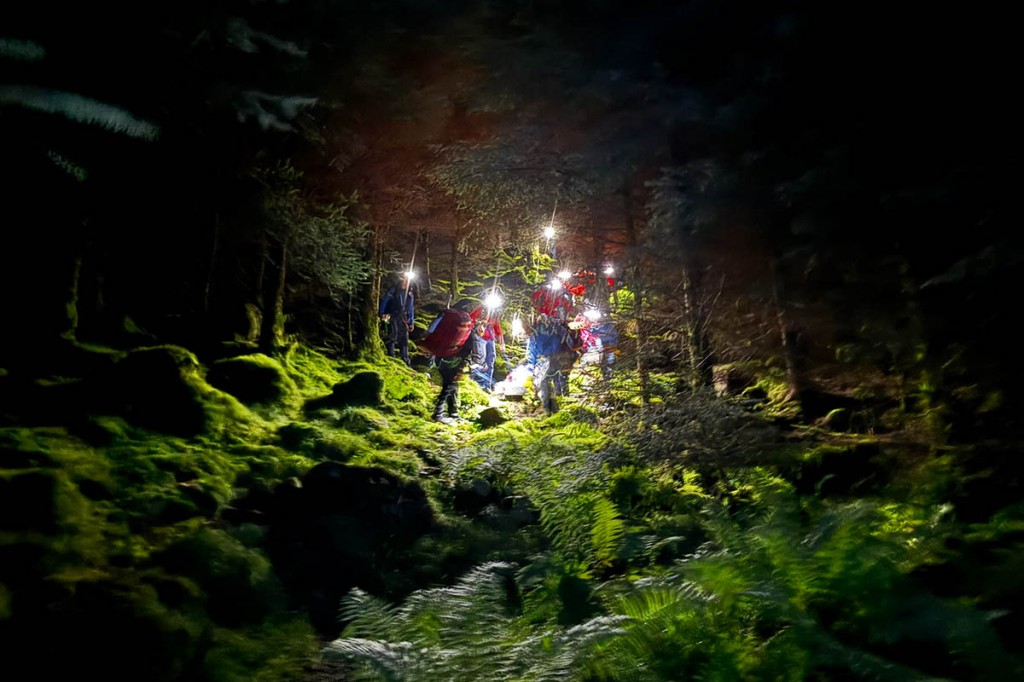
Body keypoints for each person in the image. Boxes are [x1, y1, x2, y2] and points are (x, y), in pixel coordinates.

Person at [432, 317, 485, 424]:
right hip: (452, 362)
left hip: (441, 358)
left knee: (453, 386)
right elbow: (473, 356)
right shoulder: (472, 336)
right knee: (449, 385)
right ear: (478, 327)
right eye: (483, 327)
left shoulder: (462, 332)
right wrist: (462, 369)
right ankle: (438, 413)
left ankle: (453, 413)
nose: (484, 330)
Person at [469, 304, 507, 392]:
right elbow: (471, 319)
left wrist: (502, 343)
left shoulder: (494, 314)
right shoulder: (480, 309)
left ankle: (486, 385)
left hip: (490, 339)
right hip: (480, 337)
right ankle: (476, 384)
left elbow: (497, 328)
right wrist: (479, 322)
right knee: (480, 360)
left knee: (490, 360)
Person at [378, 276, 415, 366]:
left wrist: (411, 322)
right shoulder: (394, 290)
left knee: (404, 339)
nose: (406, 283)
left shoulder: (410, 293)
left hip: (404, 318)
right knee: (392, 336)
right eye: (405, 281)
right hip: (393, 316)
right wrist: (382, 312)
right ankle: (391, 357)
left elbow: (411, 308)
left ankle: (405, 360)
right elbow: (386, 300)